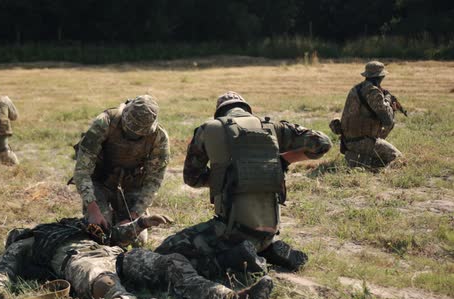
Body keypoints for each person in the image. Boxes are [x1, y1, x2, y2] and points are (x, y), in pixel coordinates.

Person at [156, 91, 332, 279]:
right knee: (256, 240)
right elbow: (323, 143)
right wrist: (283, 162)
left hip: (231, 232)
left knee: (167, 249)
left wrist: (223, 178)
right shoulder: (273, 127)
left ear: (220, 112)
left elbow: (192, 178)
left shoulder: (208, 129)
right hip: (270, 230)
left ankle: (238, 260)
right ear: (247, 109)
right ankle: (267, 249)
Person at [0, 215, 272, 299]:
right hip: (79, 264)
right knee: (106, 285)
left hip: (115, 255)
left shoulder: (71, 225)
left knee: (170, 262)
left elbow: (113, 234)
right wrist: (0, 294)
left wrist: (141, 223)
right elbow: (4, 270)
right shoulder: (27, 243)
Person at [73, 95, 169, 243]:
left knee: (137, 238)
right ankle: (103, 215)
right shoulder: (104, 123)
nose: (134, 135)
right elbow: (82, 171)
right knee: (100, 232)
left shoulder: (159, 137)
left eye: (139, 133)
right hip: (100, 182)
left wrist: (134, 216)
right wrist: (93, 210)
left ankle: (119, 217)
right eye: (130, 131)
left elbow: (153, 181)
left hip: (131, 186)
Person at [329, 61, 402, 169]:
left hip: (348, 140)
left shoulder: (357, 88)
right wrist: (390, 105)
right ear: (380, 77)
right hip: (362, 141)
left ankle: (357, 157)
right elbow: (388, 120)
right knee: (398, 159)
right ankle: (363, 161)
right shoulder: (373, 92)